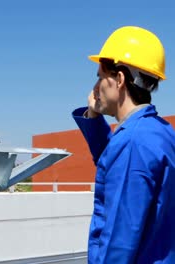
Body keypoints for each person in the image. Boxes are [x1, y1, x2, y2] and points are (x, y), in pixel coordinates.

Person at [72, 26, 175, 263]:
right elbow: (114, 167)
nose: (96, 87)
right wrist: (93, 117)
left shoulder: (132, 142)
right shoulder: (160, 132)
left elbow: (120, 240)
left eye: (100, 77)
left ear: (119, 79)